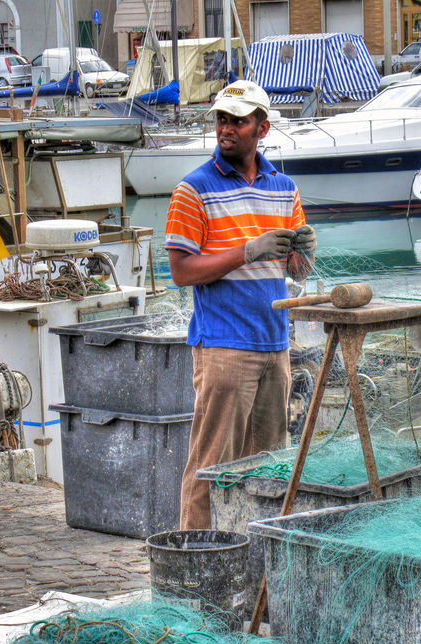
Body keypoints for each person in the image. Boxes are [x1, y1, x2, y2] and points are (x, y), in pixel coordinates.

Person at [165, 80, 316, 530]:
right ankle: (195, 562)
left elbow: (296, 271)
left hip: (275, 345)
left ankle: (254, 567)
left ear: (262, 128)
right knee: (212, 466)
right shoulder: (192, 190)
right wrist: (247, 251)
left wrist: (305, 251)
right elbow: (181, 272)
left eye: (238, 121)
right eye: (222, 119)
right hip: (224, 347)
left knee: (269, 469)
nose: (226, 129)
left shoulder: (284, 188)